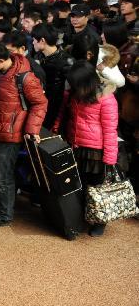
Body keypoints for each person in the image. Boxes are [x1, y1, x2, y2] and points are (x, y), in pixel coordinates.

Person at [0, 40, 48, 228]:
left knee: (2, 176)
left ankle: (3, 214)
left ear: (0, 60)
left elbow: (40, 103)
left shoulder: (25, 77)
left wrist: (31, 129)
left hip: (10, 135)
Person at [60, 61, 120, 237]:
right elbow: (64, 116)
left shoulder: (106, 98)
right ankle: (83, 216)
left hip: (96, 150)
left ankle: (99, 221)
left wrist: (110, 159)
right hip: (76, 144)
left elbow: (110, 130)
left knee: (97, 188)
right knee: (80, 185)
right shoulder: (74, 94)